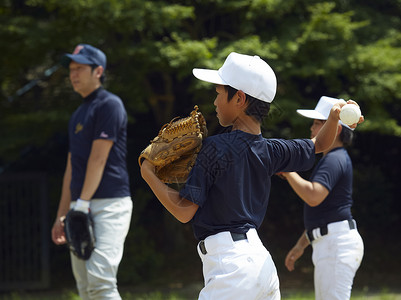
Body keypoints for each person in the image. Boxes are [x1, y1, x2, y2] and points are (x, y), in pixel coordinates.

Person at [140, 52, 362, 300]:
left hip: (231, 269)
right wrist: (333, 117)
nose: (215, 101)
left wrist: (148, 173)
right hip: (261, 265)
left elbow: (184, 211)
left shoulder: (214, 148)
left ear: (239, 98)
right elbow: (319, 144)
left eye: (219, 92)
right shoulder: (271, 149)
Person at [51, 44, 133, 299]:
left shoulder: (110, 105)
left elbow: (98, 160)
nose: (73, 74)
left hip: (109, 205)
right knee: (86, 289)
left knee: (100, 282)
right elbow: (71, 169)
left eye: (79, 68)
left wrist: (82, 204)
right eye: (71, 69)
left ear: (98, 71)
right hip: (80, 207)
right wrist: (62, 214)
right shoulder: (77, 115)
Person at [281, 96, 364, 300]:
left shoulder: (334, 159)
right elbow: (324, 213)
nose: (312, 128)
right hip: (331, 242)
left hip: (336, 244)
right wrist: (301, 245)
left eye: (318, 123)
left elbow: (313, 196)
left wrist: (288, 170)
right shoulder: (334, 158)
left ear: (336, 128)